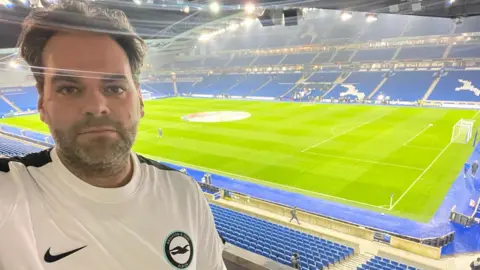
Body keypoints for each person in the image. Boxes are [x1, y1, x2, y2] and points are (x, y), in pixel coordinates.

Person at [0, 1, 226, 269]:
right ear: (42, 105)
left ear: (140, 100)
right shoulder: (9, 192)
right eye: (69, 89)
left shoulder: (184, 194)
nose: (97, 107)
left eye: (115, 88)